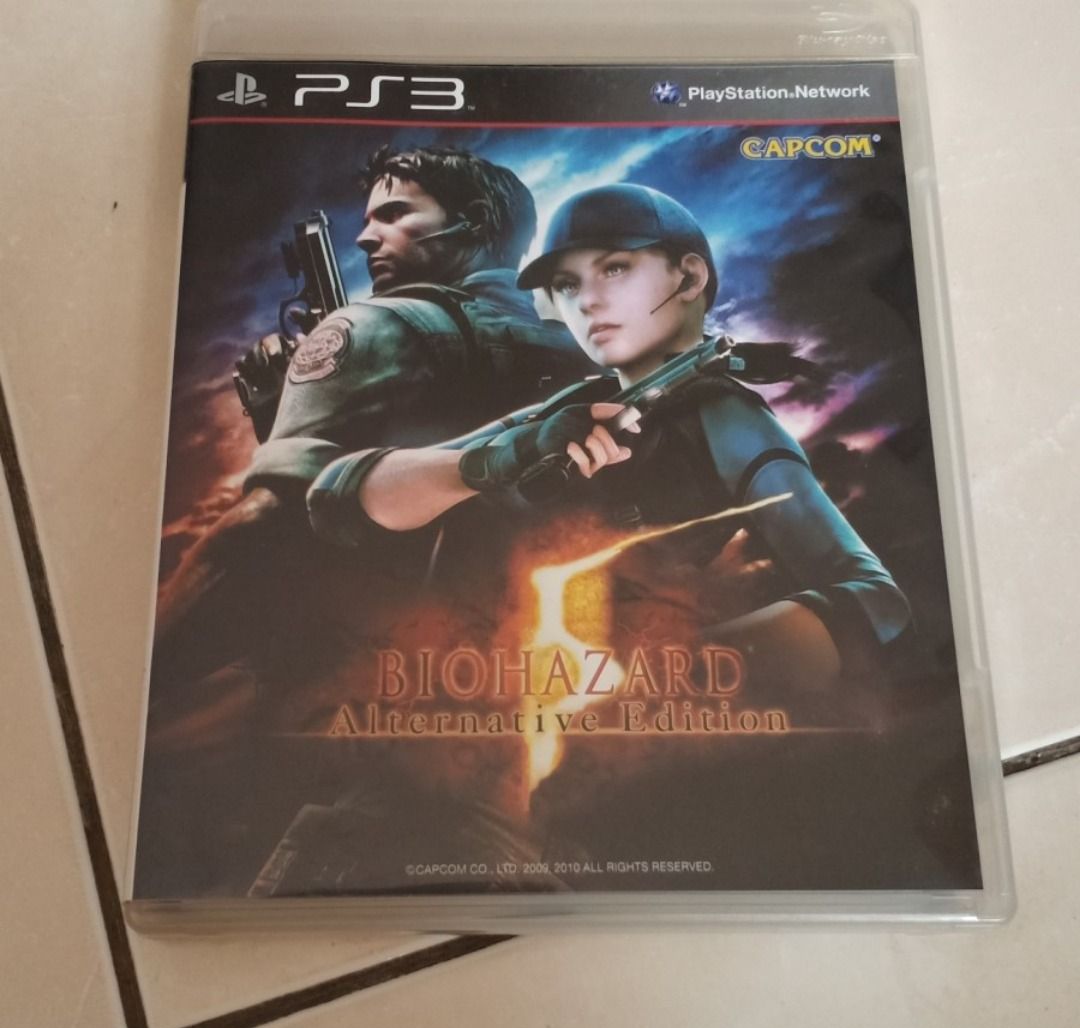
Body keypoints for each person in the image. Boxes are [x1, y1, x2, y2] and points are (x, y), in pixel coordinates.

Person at [309, 183, 911, 694]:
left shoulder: (723, 417)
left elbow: (874, 601)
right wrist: (496, 460)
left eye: (615, 268)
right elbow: (336, 498)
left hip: (567, 738)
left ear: (689, 276)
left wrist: (640, 690)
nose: (588, 301)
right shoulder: (565, 412)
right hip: (453, 701)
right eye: (567, 285)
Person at [151, 147, 597, 696]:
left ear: (475, 221)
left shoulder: (372, 326)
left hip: (384, 678)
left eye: (394, 214)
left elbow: (271, 527)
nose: (366, 238)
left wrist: (147, 678)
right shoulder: (591, 350)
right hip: (548, 666)